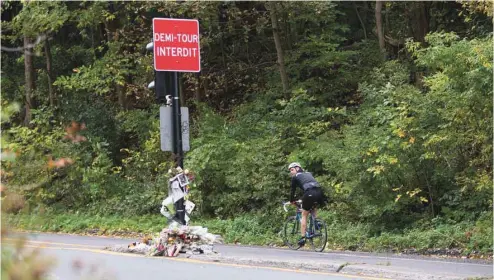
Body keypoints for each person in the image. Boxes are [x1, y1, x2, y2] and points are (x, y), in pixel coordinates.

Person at [288, 162, 326, 246]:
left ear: (297, 168)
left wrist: (292, 201)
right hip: (319, 192)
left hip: (309, 193)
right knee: (313, 206)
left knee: (304, 214)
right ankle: (316, 223)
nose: (291, 172)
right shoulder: (308, 173)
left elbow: (292, 191)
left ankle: (302, 238)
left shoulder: (295, 177)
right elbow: (307, 186)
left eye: (292, 169)